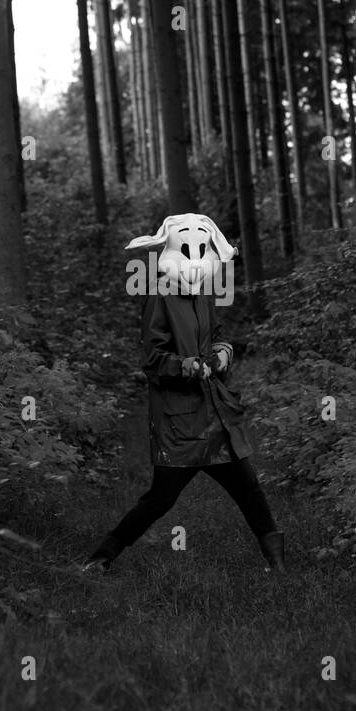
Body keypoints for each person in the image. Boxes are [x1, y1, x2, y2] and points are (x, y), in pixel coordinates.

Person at [82, 214, 285, 573]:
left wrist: (223, 353)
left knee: (249, 488)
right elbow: (152, 359)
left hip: (215, 413)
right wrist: (188, 366)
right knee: (161, 498)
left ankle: (278, 565)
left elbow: (217, 334)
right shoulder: (157, 295)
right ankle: (100, 558)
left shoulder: (204, 292)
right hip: (180, 422)